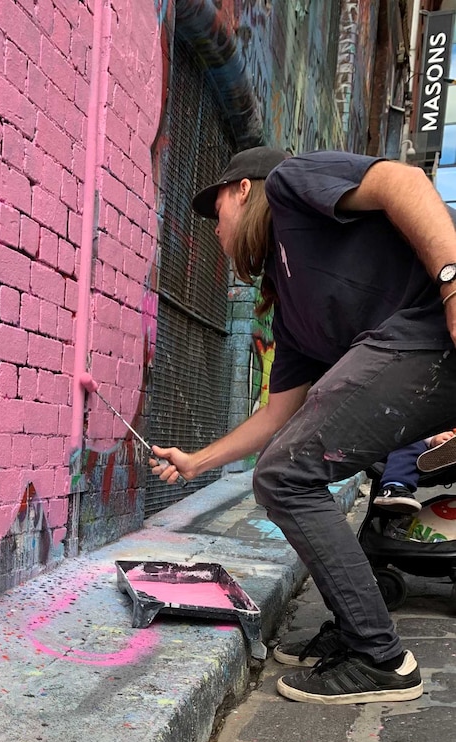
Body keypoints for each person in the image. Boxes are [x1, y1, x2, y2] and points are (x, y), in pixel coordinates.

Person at [150, 147, 456, 704]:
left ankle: (379, 657)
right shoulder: (291, 304)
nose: (214, 224)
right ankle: (356, 624)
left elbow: (402, 181)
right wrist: (197, 462)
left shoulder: (292, 184)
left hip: (434, 321)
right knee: (285, 469)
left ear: (244, 189)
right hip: (417, 351)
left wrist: (454, 282)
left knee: (287, 473)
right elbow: (278, 413)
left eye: (215, 204)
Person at [374, 430, 456, 513]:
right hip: (417, 438)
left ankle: (445, 451)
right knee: (410, 440)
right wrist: (432, 438)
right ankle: (392, 487)